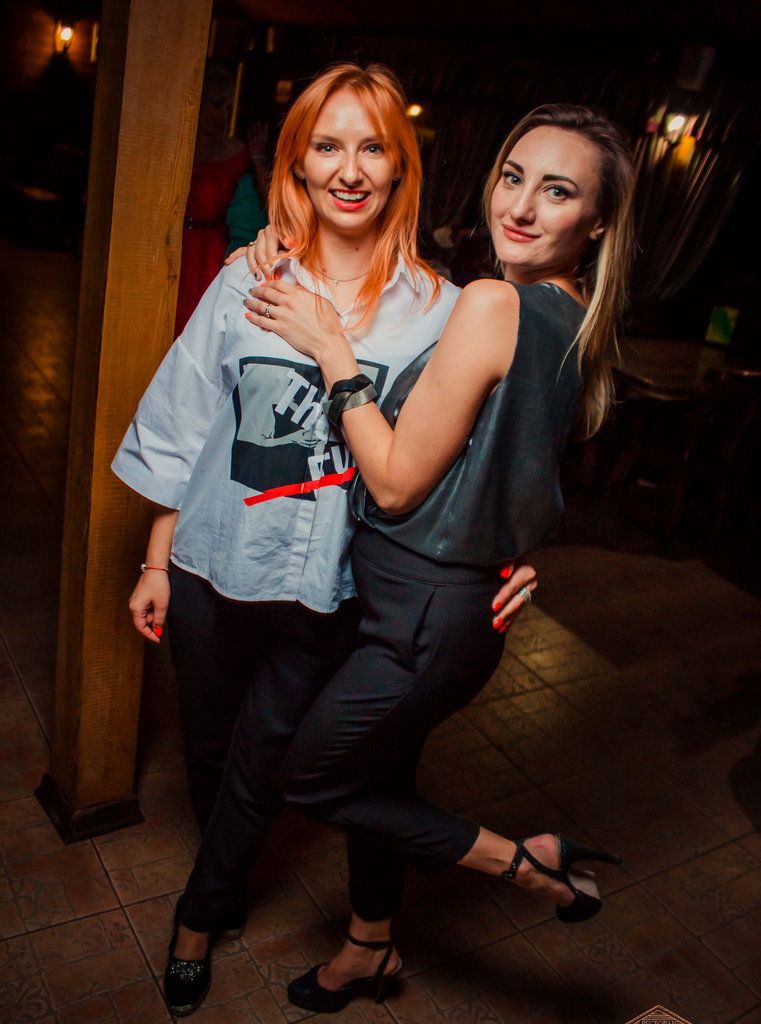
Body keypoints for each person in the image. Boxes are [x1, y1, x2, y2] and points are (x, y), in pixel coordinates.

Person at [111, 62, 534, 1017]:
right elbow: (187, 423)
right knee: (210, 750)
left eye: (372, 147)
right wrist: (155, 559)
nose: (350, 169)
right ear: (297, 164)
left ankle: (195, 920)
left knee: (262, 759)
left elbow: (477, 458)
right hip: (210, 565)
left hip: (328, 587)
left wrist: (514, 553)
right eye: (327, 146)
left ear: (400, 167)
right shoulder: (248, 276)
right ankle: (219, 884)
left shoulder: (442, 310)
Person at [238, 101, 635, 1013]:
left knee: (311, 777)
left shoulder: (495, 302)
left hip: (422, 613)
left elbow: (392, 485)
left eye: (558, 191)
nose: (521, 207)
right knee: (382, 776)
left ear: (597, 221)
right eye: (513, 177)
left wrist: (331, 348)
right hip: (446, 603)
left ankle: (525, 862)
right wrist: (508, 552)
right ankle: (367, 949)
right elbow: (517, 472)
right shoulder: (575, 318)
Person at [174, 63, 268, 337]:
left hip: (212, 249)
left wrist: (259, 158)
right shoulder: (173, 146)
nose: (223, 115)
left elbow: (271, 206)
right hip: (175, 243)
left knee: (201, 322)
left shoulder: (236, 152)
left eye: (227, 107)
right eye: (216, 105)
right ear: (198, 104)